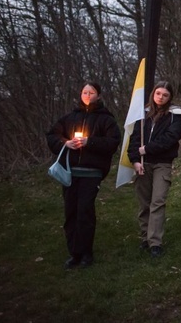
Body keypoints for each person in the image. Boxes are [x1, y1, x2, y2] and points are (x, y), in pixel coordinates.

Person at [46, 82, 121, 269]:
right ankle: (74, 253)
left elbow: (112, 143)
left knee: (84, 211)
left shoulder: (106, 120)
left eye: (92, 92)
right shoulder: (70, 117)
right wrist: (65, 143)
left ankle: (86, 252)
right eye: (84, 92)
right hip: (70, 173)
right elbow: (52, 136)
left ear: (99, 95)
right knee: (70, 211)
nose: (87, 95)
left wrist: (89, 142)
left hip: (92, 172)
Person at [128, 81, 181, 258]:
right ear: (153, 94)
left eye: (165, 95)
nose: (161, 97)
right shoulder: (142, 115)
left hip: (162, 163)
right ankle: (145, 237)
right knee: (144, 203)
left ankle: (155, 242)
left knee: (157, 201)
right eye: (158, 93)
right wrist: (135, 160)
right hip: (143, 163)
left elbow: (171, 138)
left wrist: (148, 149)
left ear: (170, 97)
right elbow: (135, 138)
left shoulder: (175, 115)